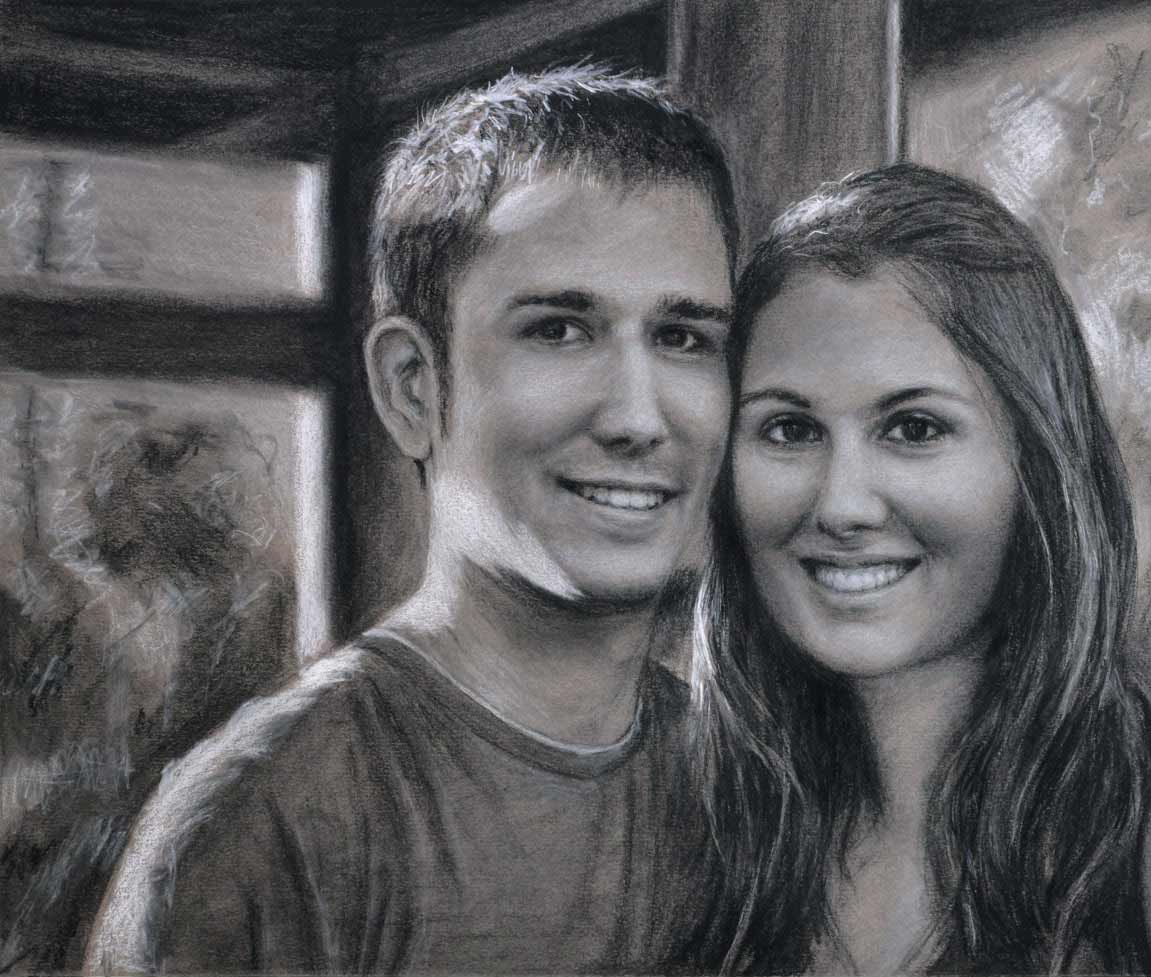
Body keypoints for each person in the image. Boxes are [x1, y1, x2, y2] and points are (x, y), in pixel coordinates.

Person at [85, 66, 736, 974]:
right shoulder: (269, 815)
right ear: (413, 388)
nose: (638, 416)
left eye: (684, 338)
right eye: (558, 330)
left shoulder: (749, 795)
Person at [678, 163, 1151, 975]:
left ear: (1036, 463)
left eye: (914, 428)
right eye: (789, 429)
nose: (841, 505)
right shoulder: (717, 840)